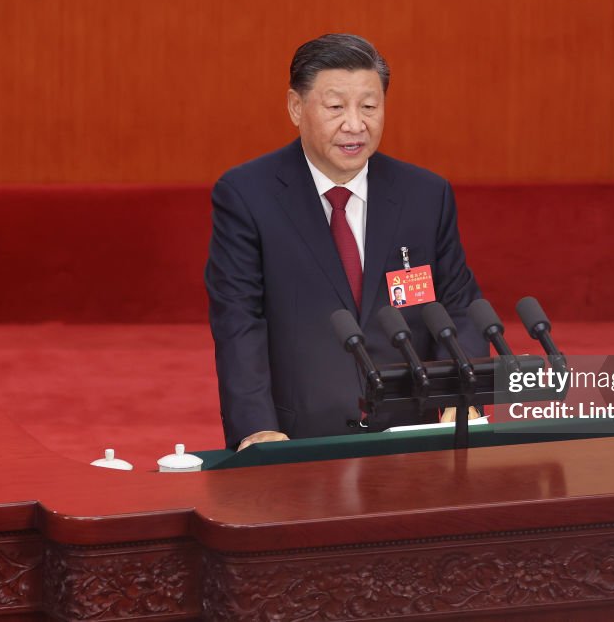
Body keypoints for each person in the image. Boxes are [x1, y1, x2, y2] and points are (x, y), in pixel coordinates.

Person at [206, 33, 485, 451]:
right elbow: (239, 321)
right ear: (295, 107)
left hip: (414, 436)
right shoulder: (248, 195)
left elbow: (459, 306)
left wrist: (461, 396)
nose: (355, 124)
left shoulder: (425, 195)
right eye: (336, 107)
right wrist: (255, 427)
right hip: (299, 438)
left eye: (369, 107)